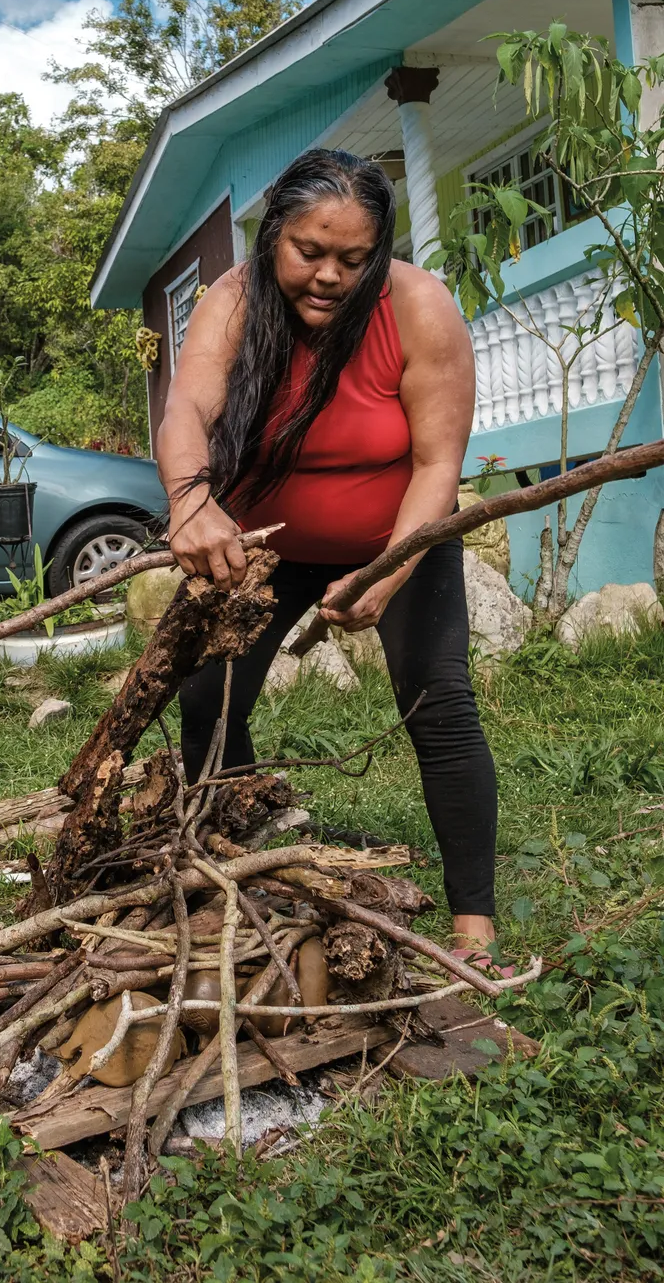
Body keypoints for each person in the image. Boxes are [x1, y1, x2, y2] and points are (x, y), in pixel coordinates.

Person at [156, 147, 499, 965]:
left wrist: (393, 567)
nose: (329, 276)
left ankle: (474, 928)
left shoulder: (418, 305)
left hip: (396, 538)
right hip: (259, 547)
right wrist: (192, 504)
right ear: (274, 233)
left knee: (440, 704)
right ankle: (235, 873)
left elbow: (436, 466)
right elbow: (185, 412)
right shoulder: (233, 301)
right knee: (207, 703)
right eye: (310, 252)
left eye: (353, 259)